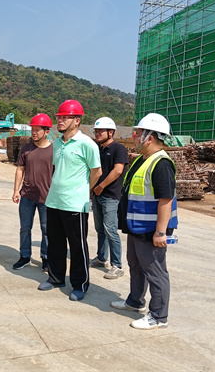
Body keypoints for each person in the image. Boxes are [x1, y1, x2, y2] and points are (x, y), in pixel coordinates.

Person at [111, 113, 178, 329]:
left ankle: (158, 316)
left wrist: (161, 232)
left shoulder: (161, 164)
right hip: (136, 226)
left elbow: (166, 200)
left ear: (149, 137)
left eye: (138, 133)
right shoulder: (143, 160)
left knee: (155, 272)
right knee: (136, 265)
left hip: (151, 230)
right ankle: (135, 300)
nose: (134, 136)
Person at [37, 100, 101, 301]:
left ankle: (80, 284)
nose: (60, 121)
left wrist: (84, 190)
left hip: (75, 203)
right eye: (59, 117)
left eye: (65, 117)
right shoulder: (56, 144)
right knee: (55, 243)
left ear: (77, 120)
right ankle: (56, 278)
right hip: (54, 201)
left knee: (77, 246)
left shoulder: (87, 144)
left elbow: (96, 172)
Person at [11, 113, 54, 271]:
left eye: (37, 130)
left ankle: (46, 258)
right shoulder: (26, 148)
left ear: (46, 131)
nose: (34, 133)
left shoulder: (54, 150)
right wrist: (16, 190)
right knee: (25, 227)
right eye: (32, 129)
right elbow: (20, 169)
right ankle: (24, 256)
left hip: (47, 197)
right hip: (27, 196)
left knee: (47, 230)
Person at [90, 117, 128, 279]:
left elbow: (118, 170)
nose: (97, 133)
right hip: (97, 195)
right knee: (100, 229)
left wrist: (101, 186)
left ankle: (117, 265)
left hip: (110, 196)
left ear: (111, 132)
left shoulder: (118, 149)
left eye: (101, 131)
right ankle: (101, 257)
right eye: (96, 131)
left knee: (110, 230)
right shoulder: (99, 149)